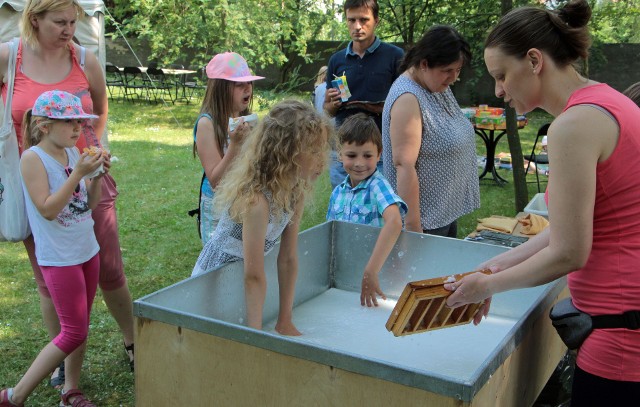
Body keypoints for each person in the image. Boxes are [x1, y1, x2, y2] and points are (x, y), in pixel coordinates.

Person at [443, 1, 640, 405]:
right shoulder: (607, 102)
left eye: (501, 76)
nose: (498, 90)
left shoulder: (575, 125)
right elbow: (563, 234)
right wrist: (494, 265)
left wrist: (489, 286)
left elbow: (569, 251)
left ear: (534, 60)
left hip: (622, 342)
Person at [0, 0, 135, 382]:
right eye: (59, 22)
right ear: (34, 19)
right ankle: (63, 353)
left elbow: (100, 107)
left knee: (108, 266)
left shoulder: (85, 59)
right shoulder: (9, 58)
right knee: (50, 275)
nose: (68, 30)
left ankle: (132, 343)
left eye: (74, 22)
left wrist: (91, 147)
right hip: (36, 181)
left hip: (88, 174)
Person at [191, 100, 332, 336]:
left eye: (324, 149)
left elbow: (287, 258)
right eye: (315, 150)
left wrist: (284, 320)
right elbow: (253, 276)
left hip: (244, 279)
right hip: (215, 282)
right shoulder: (257, 200)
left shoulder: (295, 191)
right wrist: (255, 339)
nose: (323, 159)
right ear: (288, 153)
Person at [1, 90, 105, 407]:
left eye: (79, 121)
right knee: (72, 331)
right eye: (69, 122)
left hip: (87, 249)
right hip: (59, 258)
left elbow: (90, 203)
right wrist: (78, 174)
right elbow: (47, 208)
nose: (77, 128)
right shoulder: (33, 158)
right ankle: (14, 396)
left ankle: (70, 390)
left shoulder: (72, 153)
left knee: (81, 327)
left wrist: (97, 176)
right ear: (45, 126)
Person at [381, 25, 480, 237]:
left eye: (458, 70)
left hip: (443, 212)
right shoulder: (408, 98)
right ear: (424, 64)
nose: (454, 77)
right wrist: (414, 230)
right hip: (425, 220)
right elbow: (404, 166)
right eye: (447, 71)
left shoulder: (434, 86)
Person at [326, 113, 406, 307]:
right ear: (340, 154)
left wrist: (371, 271)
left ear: (379, 154)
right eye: (352, 155)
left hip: (378, 277)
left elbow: (395, 222)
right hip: (346, 277)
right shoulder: (338, 193)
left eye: (367, 156)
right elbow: (329, 237)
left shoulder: (378, 186)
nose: (360, 163)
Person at [323, 0, 403, 189]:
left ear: (376, 20)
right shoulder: (336, 60)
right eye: (351, 20)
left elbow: (404, 105)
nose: (357, 26)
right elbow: (328, 110)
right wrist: (332, 105)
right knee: (344, 207)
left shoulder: (395, 56)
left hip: (379, 151)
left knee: (379, 207)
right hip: (343, 150)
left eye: (363, 19)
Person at [193, 52, 263, 244]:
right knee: (218, 262)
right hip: (217, 205)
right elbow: (216, 181)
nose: (247, 88)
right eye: (239, 84)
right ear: (221, 89)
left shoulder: (246, 120)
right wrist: (235, 145)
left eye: (249, 82)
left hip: (241, 199)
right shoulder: (207, 124)